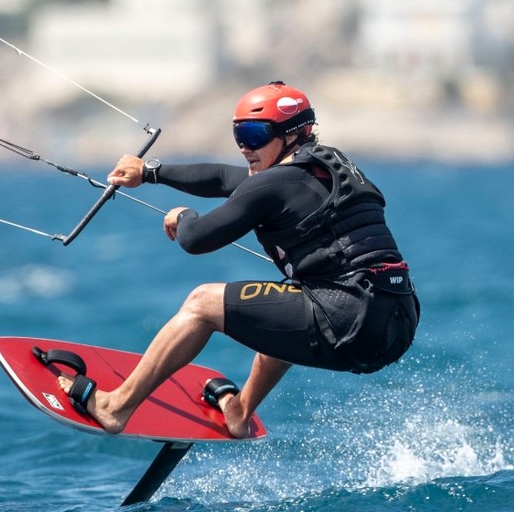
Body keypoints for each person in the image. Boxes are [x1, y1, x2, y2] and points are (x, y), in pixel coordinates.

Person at [58, 81, 420, 439]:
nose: (245, 146)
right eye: (239, 134)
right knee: (285, 300)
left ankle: (114, 407)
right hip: (398, 319)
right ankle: (239, 413)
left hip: (350, 320)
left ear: (294, 134)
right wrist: (151, 173)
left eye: (255, 134)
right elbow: (224, 178)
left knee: (202, 303)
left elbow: (196, 240)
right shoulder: (326, 166)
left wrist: (183, 215)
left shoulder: (276, 183)